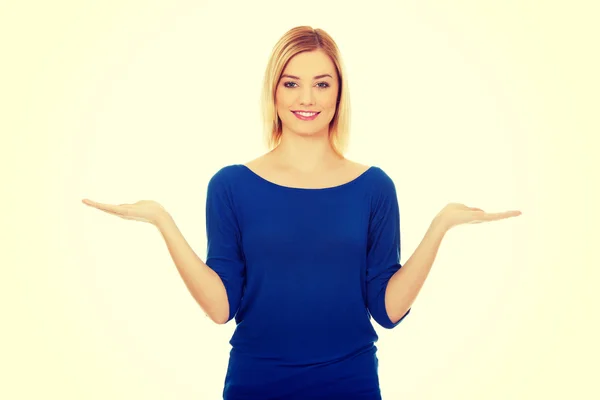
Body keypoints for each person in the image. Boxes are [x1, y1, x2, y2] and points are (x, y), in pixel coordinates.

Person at [82, 26, 521, 399]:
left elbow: (386, 310)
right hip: (257, 383)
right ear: (273, 91)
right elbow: (221, 308)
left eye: (322, 83)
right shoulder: (231, 186)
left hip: (351, 384)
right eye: (291, 83)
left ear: (339, 91)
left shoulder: (374, 188)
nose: (306, 97)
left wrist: (441, 225)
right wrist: (162, 220)